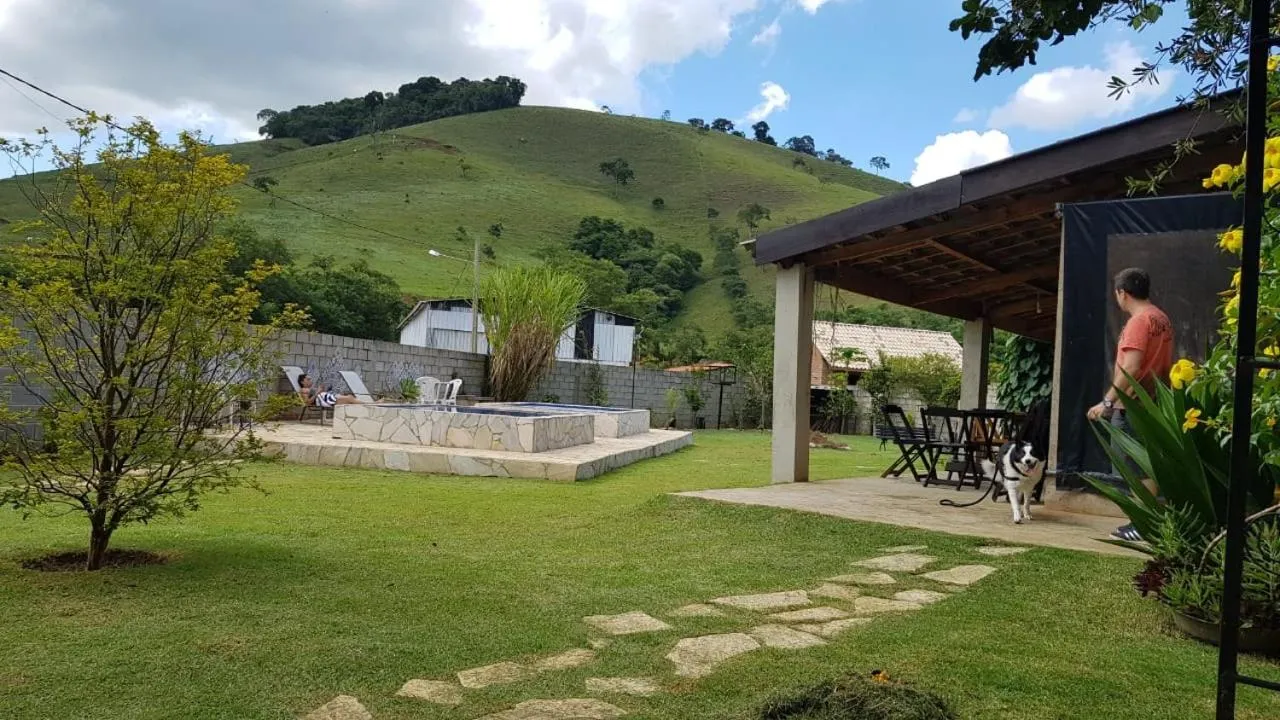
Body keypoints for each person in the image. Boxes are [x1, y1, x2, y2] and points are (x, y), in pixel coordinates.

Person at [1086, 268, 1174, 542]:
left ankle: (1142, 523)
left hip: (1134, 405)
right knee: (1147, 464)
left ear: (1122, 292)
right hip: (1155, 402)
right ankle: (1146, 522)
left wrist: (1107, 401)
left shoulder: (1139, 321)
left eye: (1117, 294)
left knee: (1135, 466)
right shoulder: (1161, 319)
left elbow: (1132, 368)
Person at [297, 373, 363, 409]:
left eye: (310, 379)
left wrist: (322, 390)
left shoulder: (310, 389)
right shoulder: (304, 390)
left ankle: (368, 406)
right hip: (324, 400)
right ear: (302, 382)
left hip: (326, 398)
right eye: (308, 379)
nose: (310, 381)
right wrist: (318, 392)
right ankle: (369, 406)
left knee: (350, 397)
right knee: (349, 398)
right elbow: (308, 402)